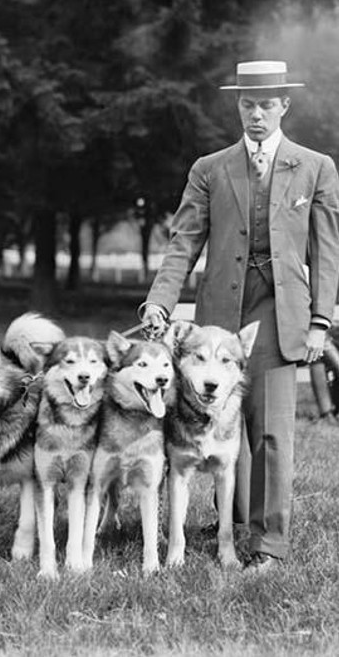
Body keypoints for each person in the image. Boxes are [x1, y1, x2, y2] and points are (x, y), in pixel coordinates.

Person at [139, 60, 339, 572]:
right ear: (238, 105)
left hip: (281, 310)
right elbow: (183, 243)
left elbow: (327, 251)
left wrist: (320, 321)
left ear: (284, 106)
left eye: (266, 105)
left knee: (270, 428)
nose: (256, 114)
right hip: (220, 317)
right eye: (248, 104)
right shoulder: (210, 169)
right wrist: (160, 301)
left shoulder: (315, 167)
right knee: (222, 420)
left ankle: (268, 544)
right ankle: (233, 524)